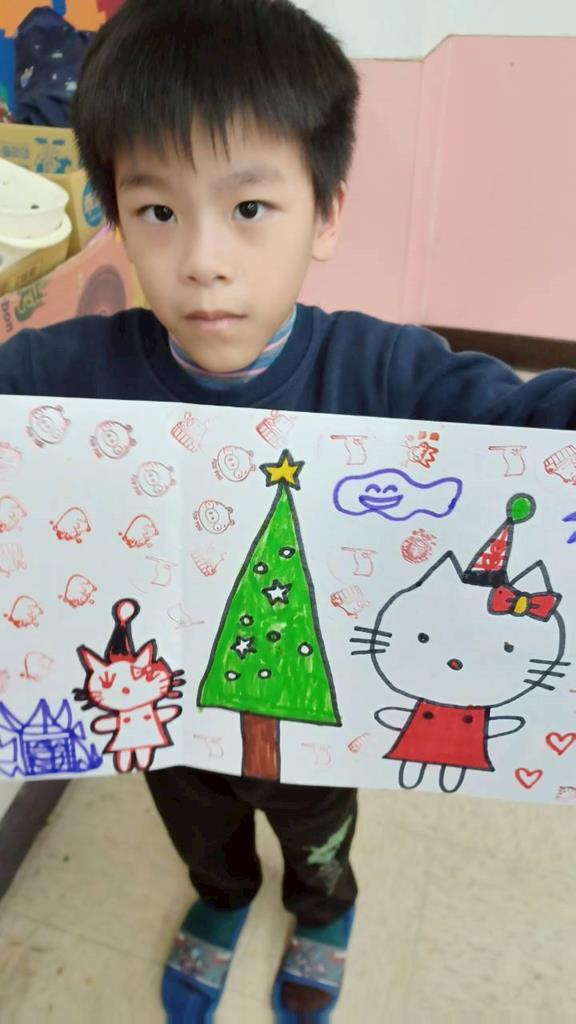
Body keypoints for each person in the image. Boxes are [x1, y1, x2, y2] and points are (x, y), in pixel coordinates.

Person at [0, 1, 575, 1021]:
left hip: (318, 727)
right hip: (169, 726)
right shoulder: (64, 373)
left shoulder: (383, 370)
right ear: (114, 215)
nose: (203, 259)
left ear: (327, 213)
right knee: (200, 830)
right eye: (158, 211)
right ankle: (223, 897)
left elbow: (534, 421)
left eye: (251, 207)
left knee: (319, 835)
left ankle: (324, 911)